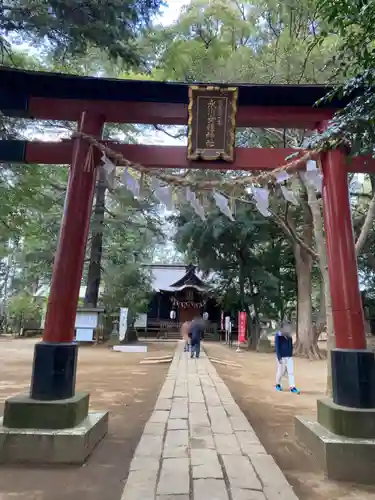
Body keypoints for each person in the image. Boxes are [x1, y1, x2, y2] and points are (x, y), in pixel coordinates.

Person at [275, 322, 300, 394]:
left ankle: (292, 387)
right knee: (281, 372)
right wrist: (279, 357)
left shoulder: (289, 336)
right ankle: (277, 384)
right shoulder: (278, 335)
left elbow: (290, 345)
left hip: (289, 357)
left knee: (291, 372)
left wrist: (290, 354)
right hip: (281, 357)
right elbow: (277, 347)